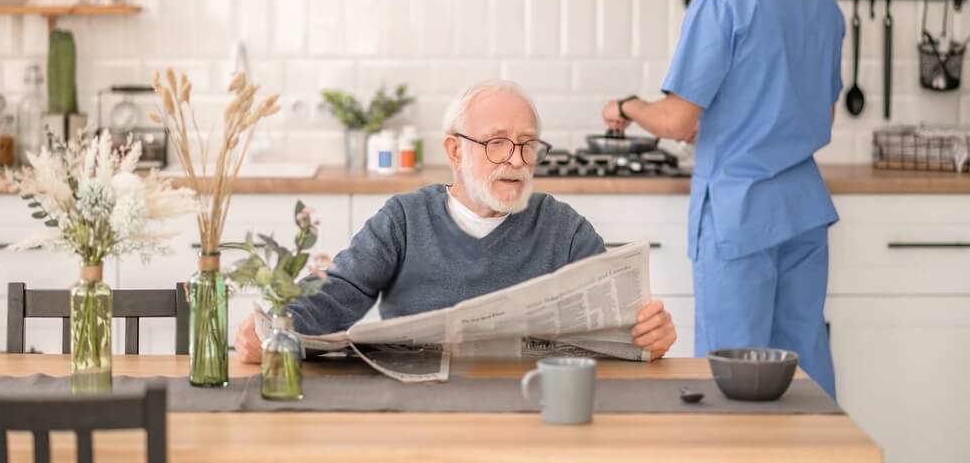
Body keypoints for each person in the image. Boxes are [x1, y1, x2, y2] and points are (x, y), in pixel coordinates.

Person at [601, 0, 843, 398]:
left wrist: (629, 104)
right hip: (803, 210)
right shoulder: (822, 5)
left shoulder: (722, 1)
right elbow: (819, 119)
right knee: (802, 371)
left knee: (731, 375)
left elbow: (676, 118)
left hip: (739, 212)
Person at [236, 79, 677, 362]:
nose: (516, 160)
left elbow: (618, 327)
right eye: (497, 143)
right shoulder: (403, 219)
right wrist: (275, 329)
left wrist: (650, 335)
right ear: (454, 151)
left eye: (527, 145)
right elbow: (337, 297)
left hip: (529, 413)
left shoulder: (564, 227)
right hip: (417, 412)